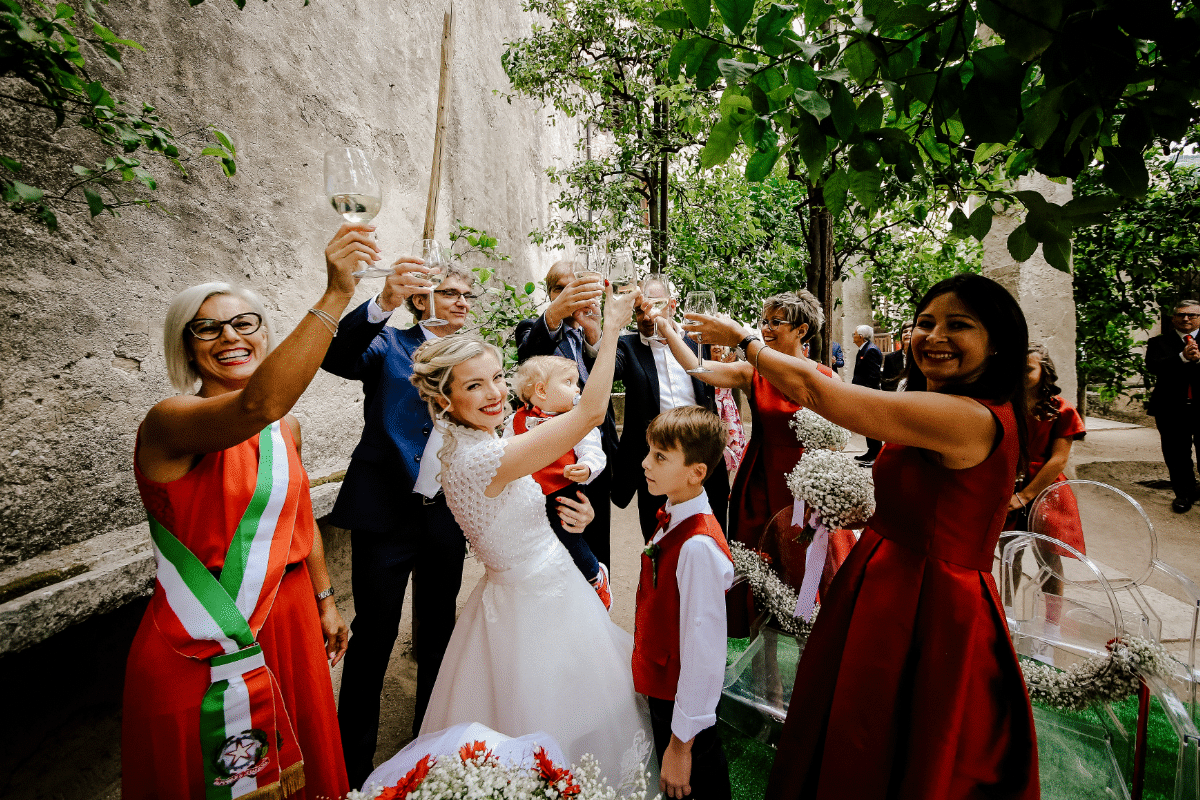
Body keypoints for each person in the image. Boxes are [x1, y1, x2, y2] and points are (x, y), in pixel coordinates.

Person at [683, 273, 1039, 799]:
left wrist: (744, 339)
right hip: (886, 578)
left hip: (930, 602)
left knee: (894, 737)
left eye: (957, 325)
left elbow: (814, 390)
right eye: (925, 323)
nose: (934, 337)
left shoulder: (970, 417)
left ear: (998, 345)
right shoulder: (945, 405)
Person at [123, 224, 370, 800]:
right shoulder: (171, 422)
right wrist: (337, 294)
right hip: (201, 635)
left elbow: (300, 517)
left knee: (302, 766)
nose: (229, 336)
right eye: (206, 328)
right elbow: (260, 400)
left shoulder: (287, 429)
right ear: (186, 346)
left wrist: (325, 600)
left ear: (264, 334)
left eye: (244, 323)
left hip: (290, 619)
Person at [412, 285, 655, 790]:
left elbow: (515, 513)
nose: (497, 393)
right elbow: (588, 414)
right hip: (534, 606)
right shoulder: (482, 458)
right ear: (444, 398)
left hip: (540, 581)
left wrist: (578, 519)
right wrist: (610, 328)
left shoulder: (477, 444)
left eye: (498, 377)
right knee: (552, 724)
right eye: (475, 386)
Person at [320, 257, 477, 786]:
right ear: (419, 299)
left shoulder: (473, 360)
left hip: (444, 516)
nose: (462, 301)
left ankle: (427, 754)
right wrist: (381, 302)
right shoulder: (388, 345)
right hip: (384, 515)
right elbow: (337, 355)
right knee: (374, 635)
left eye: (467, 296)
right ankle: (350, 763)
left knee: (438, 633)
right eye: (451, 292)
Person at [656, 291, 854, 624]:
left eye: (776, 322)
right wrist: (669, 330)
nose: (766, 328)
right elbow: (698, 368)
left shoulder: (826, 377)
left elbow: (837, 437)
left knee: (811, 565)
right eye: (764, 321)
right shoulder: (753, 372)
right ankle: (765, 658)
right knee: (761, 570)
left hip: (809, 486)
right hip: (760, 481)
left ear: (802, 331)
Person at [634, 406, 734, 800]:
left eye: (660, 456)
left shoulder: (697, 548)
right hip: (665, 691)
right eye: (649, 452)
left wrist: (681, 744)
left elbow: (704, 651)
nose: (645, 463)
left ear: (696, 472)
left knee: (695, 789)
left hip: (682, 705)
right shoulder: (674, 514)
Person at [516, 260, 618, 569]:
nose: (570, 295)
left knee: (599, 547)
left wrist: (594, 332)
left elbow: (611, 373)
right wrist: (557, 314)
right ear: (550, 295)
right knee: (563, 548)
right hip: (556, 465)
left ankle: (600, 609)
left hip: (595, 458)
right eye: (562, 288)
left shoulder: (589, 337)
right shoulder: (533, 330)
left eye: (578, 288)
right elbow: (529, 354)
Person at [613, 275, 730, 541]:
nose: (645, 314)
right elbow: (601, 364)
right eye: (638, 308)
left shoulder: (698, 341)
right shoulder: (626, 346)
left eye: (654, 304)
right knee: (659, 542)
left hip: (702, 455)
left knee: (713, 534)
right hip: (657, 461)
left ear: (672, 305)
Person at [504, 355, 611, 608]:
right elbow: (504, 451)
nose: (578, 389)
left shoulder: (577, 421)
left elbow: (594, 452)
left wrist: (587, 468)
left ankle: (595, 576)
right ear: (541, 390)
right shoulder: (514, 421)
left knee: (569, 539)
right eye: (569, 382)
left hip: (561, 492)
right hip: (526, 497)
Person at [1001, 344, 1086, 632]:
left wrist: (1025, 495)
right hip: (1006, 486)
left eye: (1027, 369)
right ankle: (1007, 619)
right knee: (1008, 557)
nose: (1020, 374)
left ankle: (1051, 628)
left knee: (1048, 560)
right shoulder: (1003, 405)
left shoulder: (1061, 409)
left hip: (1045, 491)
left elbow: (1058, 459)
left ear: (1044, 370)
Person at [1145, 299, 1200, 513]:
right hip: (1171, 409)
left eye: (1192, 315)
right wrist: (1181, 358)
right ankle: (1184, 494)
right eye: (1181, 315)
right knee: (1176, 454)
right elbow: (1153, 366)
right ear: (1174, 317)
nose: (1186, 318)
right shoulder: (1159, 342)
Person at [851, 324, 884, 464]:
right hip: (862, 393)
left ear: (861, 336)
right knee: (865, 425)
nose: (853, 336)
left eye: (854, 334)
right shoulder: (863, 349)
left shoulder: (871, 351)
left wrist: (866, 394)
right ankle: (871, 451)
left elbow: (873, 375)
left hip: (868, 395)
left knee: (871, 425)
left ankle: (876, 454)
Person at [880, 321, 912, 392]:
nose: (908, 334)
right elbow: (885, 384)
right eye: (905, 331)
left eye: (911, 332)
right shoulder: (890, 358)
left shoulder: (921, 357)